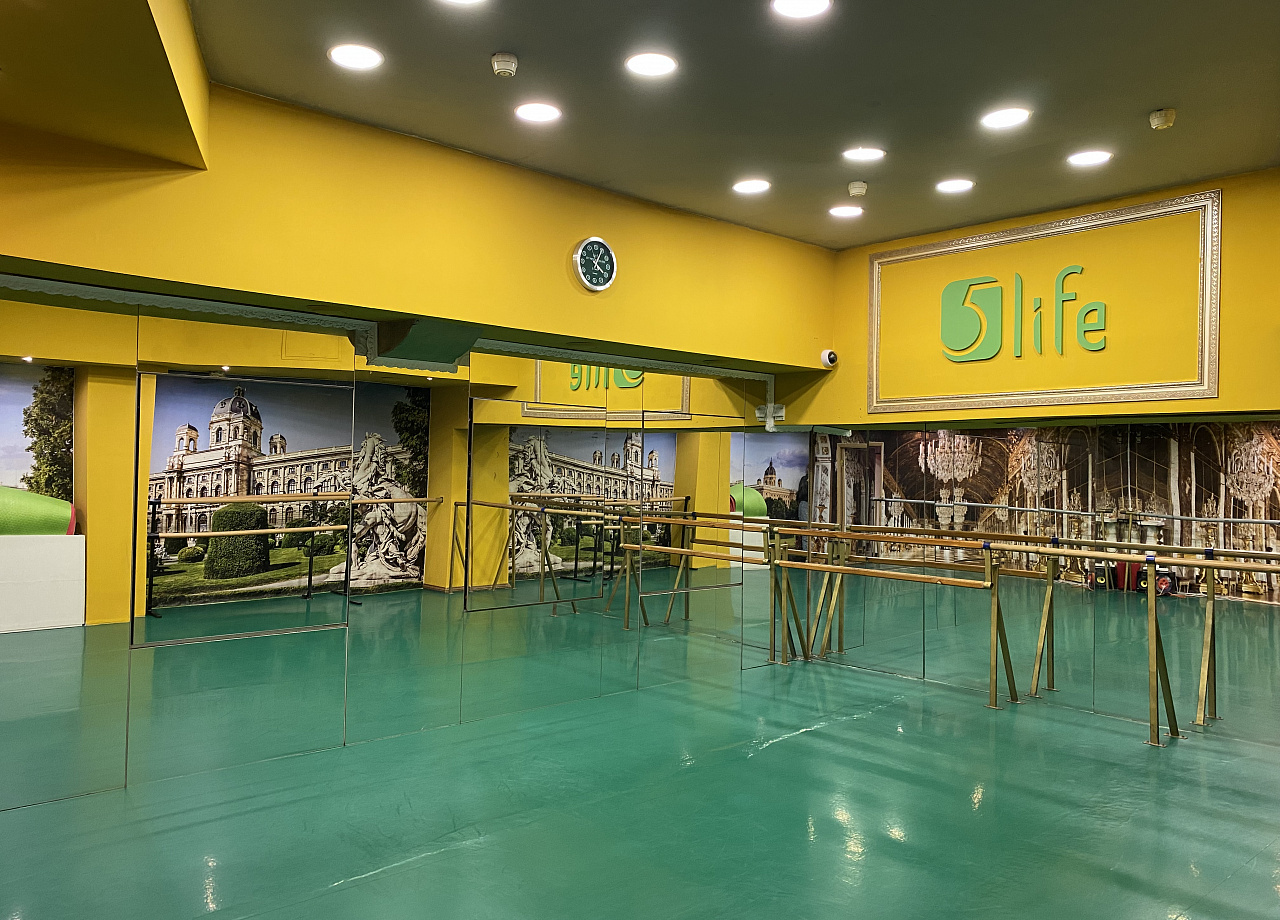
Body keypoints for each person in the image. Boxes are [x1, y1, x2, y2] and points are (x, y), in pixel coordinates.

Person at [796, 473, 809, 551]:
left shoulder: (804, 479)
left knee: (805, 535)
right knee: (806, 534)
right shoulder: (805, 479)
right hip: (805, 504)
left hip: (804, 504)